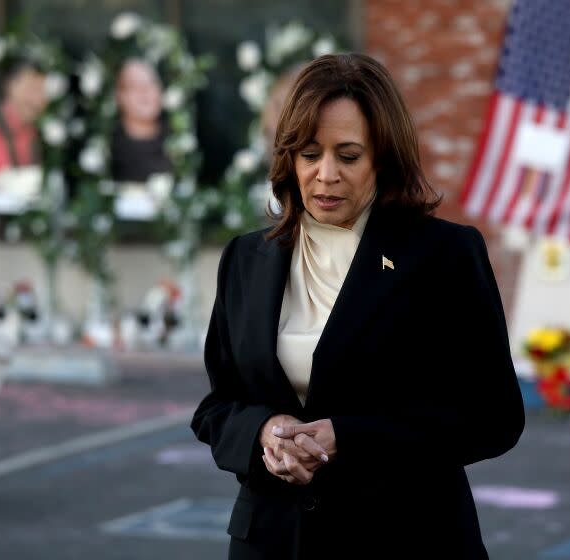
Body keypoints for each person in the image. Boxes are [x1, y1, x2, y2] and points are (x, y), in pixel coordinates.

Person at [191, 53, 525, 559]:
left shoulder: (445, 256)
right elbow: (218, 408)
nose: (326, 175)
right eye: (309, 154)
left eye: (348, 156)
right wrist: (263, 433)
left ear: (383, 159)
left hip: (405, 538)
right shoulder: (245, 258)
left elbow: (493, 417)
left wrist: (348, 437)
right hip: (272, 541)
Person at [110, 58, 172, 183]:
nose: (144, 92)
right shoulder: (107, 147)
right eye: (134, 86)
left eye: (151, 84)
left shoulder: (180, 141)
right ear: (119, 96)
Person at [0, 59, 47, 180]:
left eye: (43, 91)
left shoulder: (37, 133)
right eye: (31, 89)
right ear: (9, 86)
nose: (38, 100)